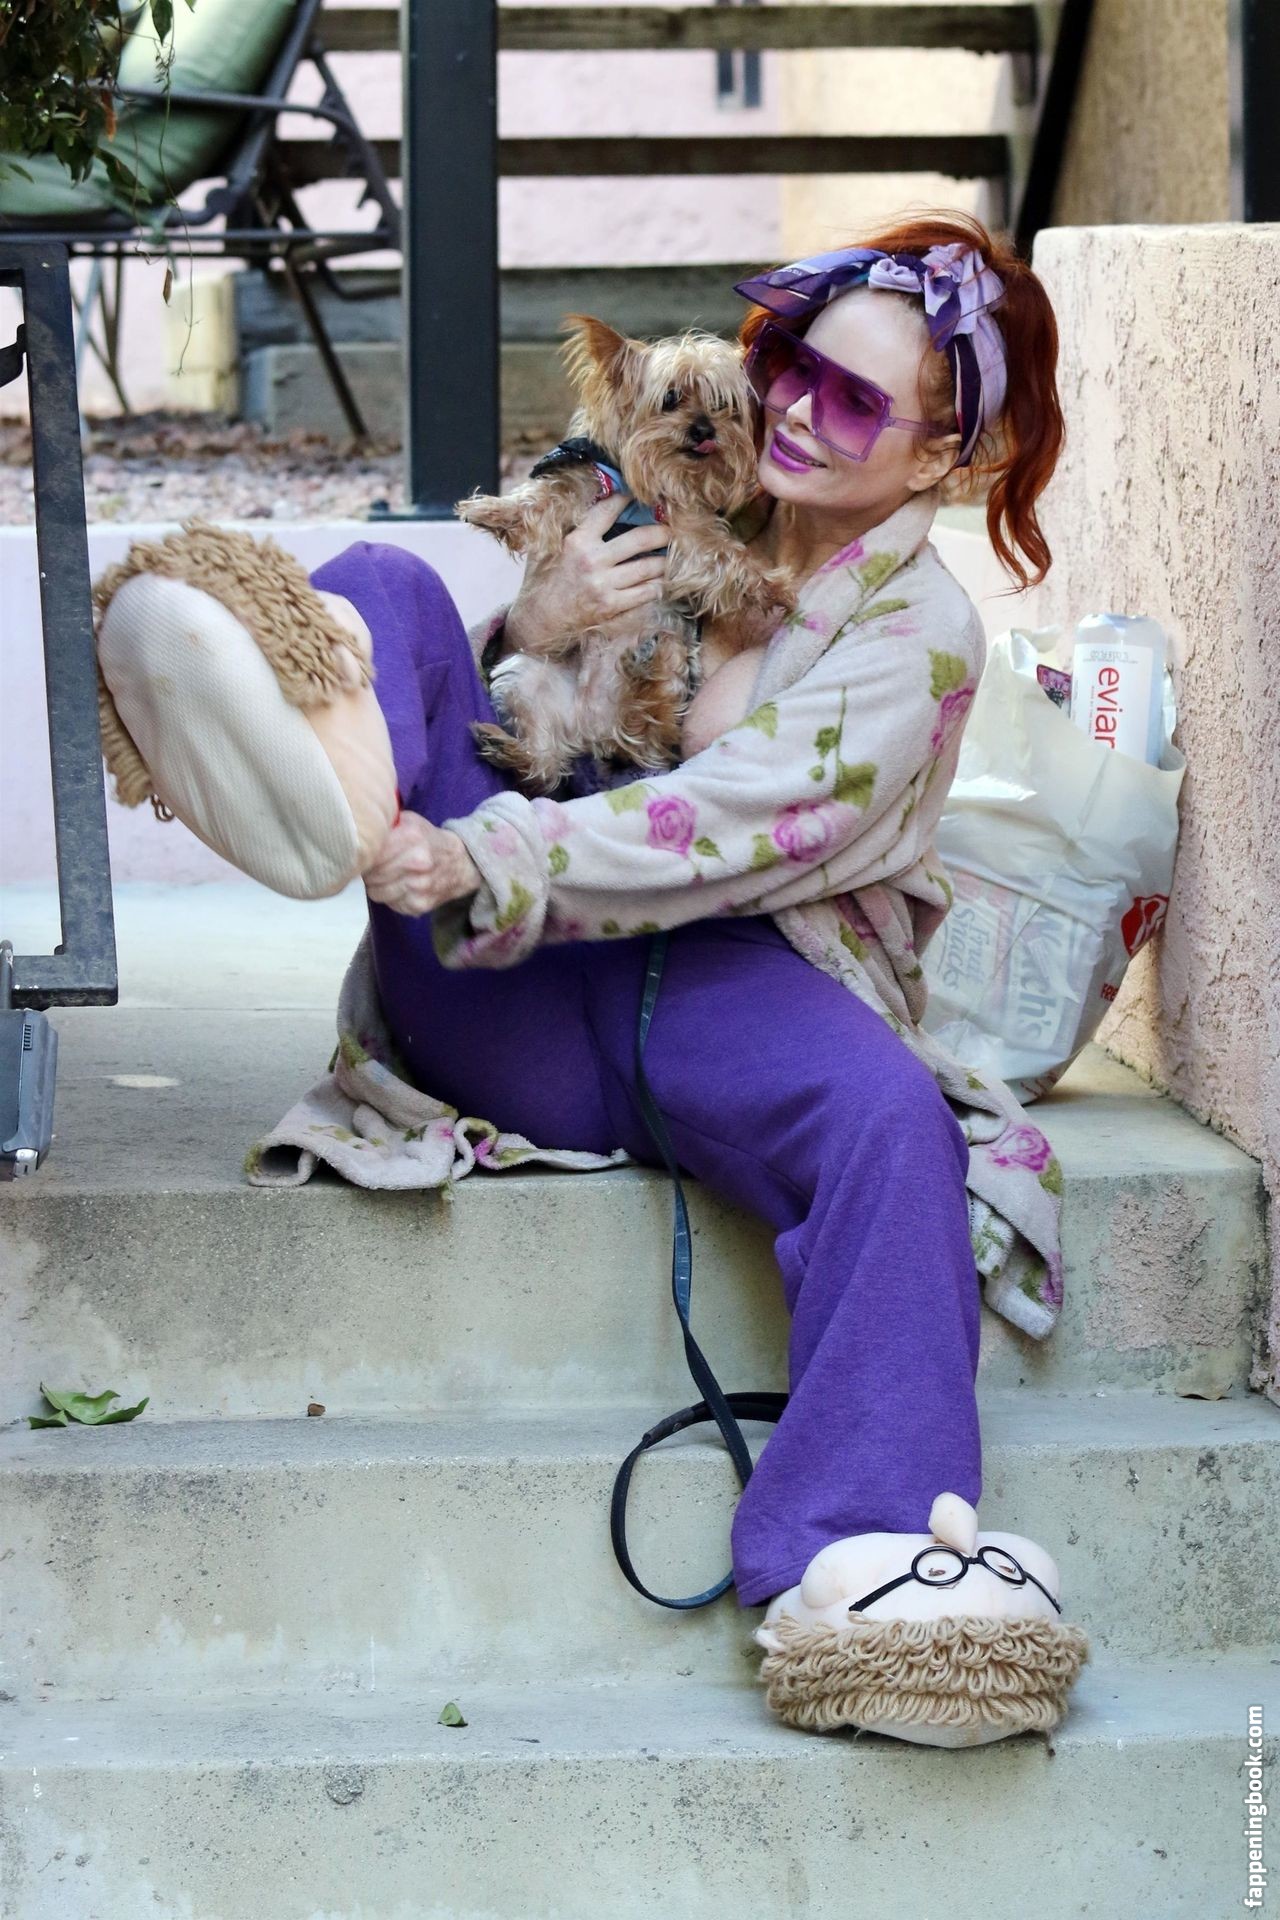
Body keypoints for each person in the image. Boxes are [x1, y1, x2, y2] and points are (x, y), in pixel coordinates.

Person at [304, 211, 1067, 1655]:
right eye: (793, 368)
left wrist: (479, 851)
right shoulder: (683, 492)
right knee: (383, 585)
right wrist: (531, 622)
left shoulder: (919, 633)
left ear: (939, 458)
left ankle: (857, 1564)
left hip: (731, 981)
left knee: (894, 1121)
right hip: (509, 965)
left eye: (854, 402)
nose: (796, 411)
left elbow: (732, 822)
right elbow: (508, 710)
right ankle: (274, 769)